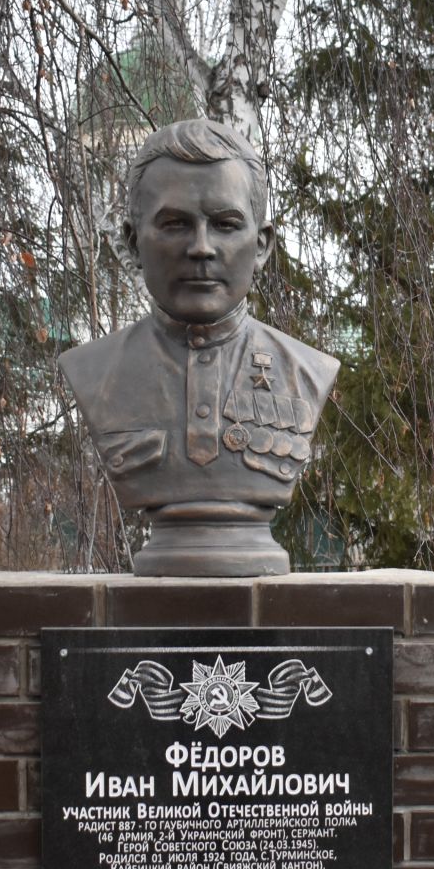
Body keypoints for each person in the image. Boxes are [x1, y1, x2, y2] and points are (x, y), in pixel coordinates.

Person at [56, 117, 339, 575]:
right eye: (174, 225)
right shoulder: (95, 373)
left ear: (262, 245)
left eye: (226, 224)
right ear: (132, 242)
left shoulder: (306, 371)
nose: (201, 248)